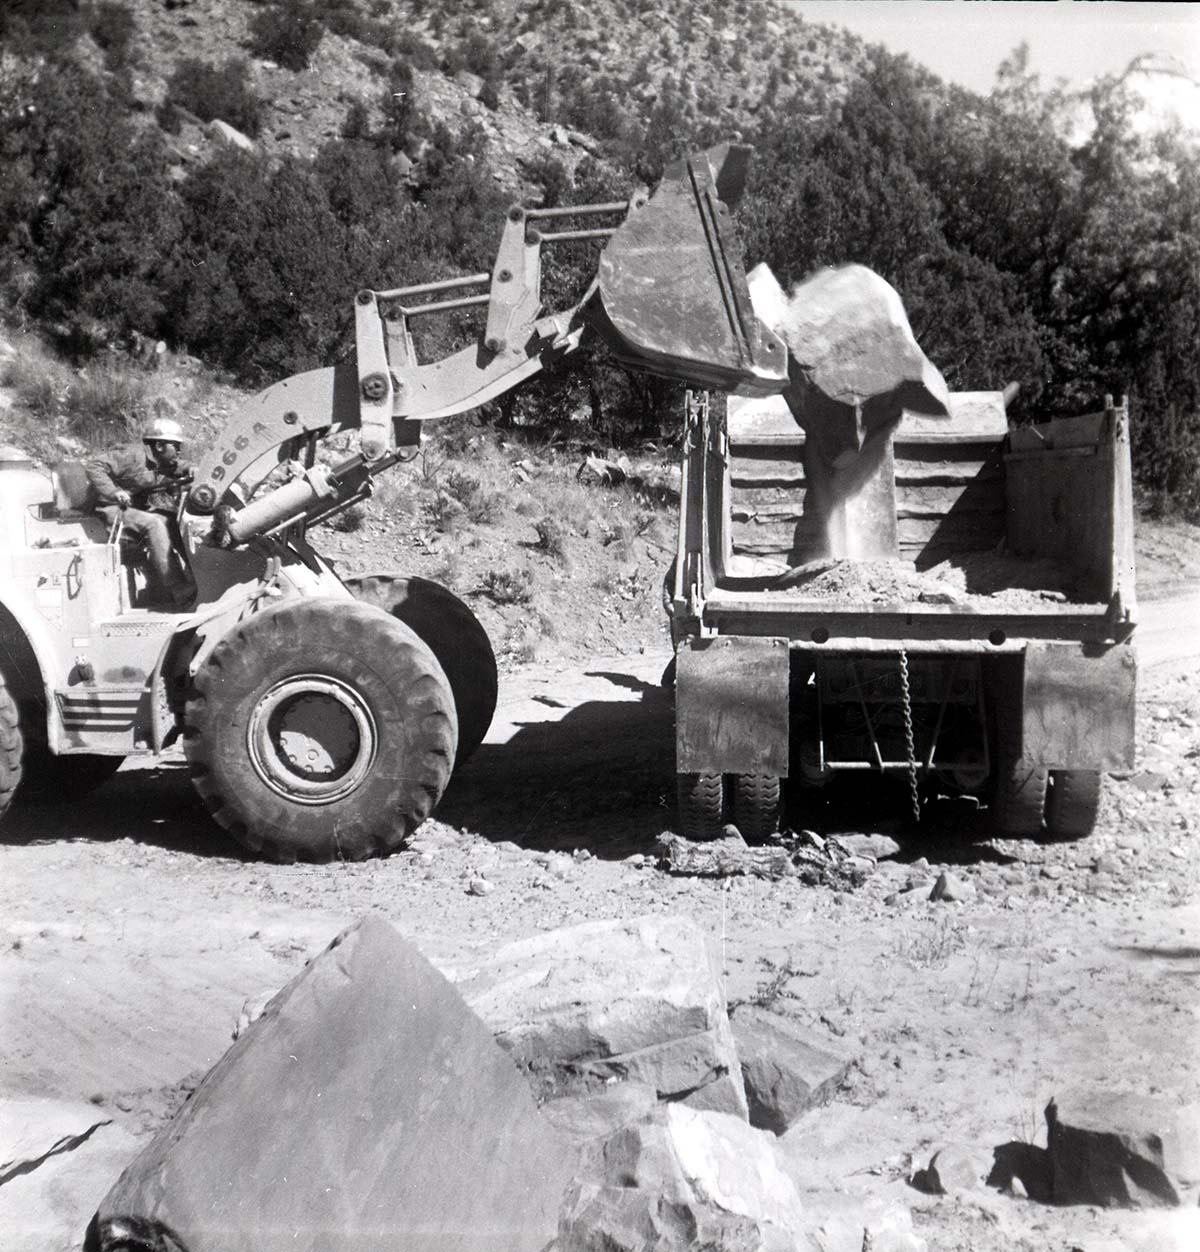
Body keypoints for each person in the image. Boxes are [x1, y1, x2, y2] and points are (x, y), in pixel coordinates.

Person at [85, 417, 194, 607]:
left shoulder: (160, 460)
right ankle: (178, 588)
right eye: (175, 445)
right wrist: (114, 492)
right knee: (153, 523)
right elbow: (94, 466)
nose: (178, 450)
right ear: (159, 445)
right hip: (107, 509)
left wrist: (191, 468)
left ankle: (194, 574)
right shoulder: (131, 455)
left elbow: (179, 466)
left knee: (170, 519)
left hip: (131, 509)